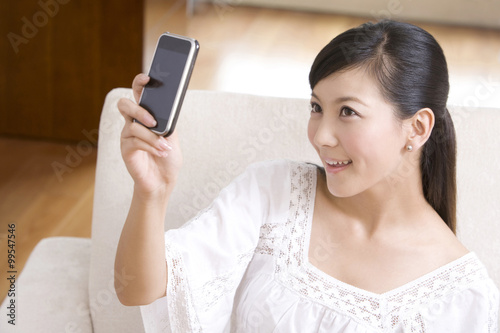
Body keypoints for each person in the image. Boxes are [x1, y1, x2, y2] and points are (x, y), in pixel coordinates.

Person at [115, 20, 499, 332]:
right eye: (317, 107)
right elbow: (136, 289)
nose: (321, 136)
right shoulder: (271, 193)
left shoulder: (465, 298)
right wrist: (152, 192)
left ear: (416, 128)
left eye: (347, 111)